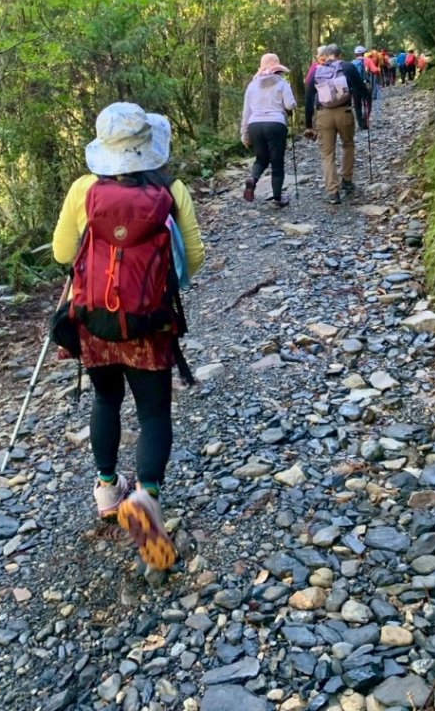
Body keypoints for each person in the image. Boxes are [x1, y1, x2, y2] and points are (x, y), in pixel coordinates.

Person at [52, 102, 205, 570]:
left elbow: (62, 252)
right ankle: (147, 494)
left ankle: (106, 489)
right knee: (154, 409)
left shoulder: (84, 189)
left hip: (94, 321)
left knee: (106, 400)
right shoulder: (170, 188)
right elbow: (192, 261)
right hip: (150, 322)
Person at [304, 42, 369, 204]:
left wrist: (308, 124)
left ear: (325, 56)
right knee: (348, 144)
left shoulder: (316, 70)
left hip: (323, 115)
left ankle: (333, 192)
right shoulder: (347, 67)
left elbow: (308, 97)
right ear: (340, 55)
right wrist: (367, 111)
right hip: (344, 112)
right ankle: (346, 180)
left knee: (327, 154)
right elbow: (362, 90)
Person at [241, 53, 297, 207]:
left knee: (261, 159)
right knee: (277, 162)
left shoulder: (252, 86)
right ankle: (277, 198)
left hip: (255, 125)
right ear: (277, 68)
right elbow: (290, 105)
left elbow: (246, 112)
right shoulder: (282, 83)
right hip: (275, 124)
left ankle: (253, 180)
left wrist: (244, 135)